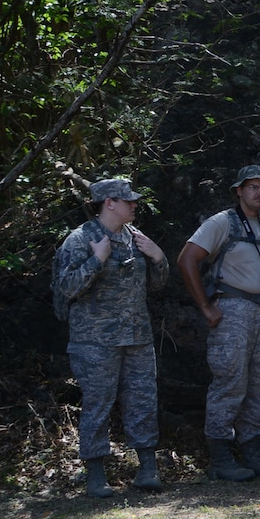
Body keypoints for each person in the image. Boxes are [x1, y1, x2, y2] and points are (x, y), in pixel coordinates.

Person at [52, 177, 170, 497]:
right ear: (109, 204)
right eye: (127, 200)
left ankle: (147, 468)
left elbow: (157, 285)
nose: (134, 204)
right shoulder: (81, 239)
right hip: (95, 340)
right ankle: (95, 473)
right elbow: (66, 288)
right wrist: (97, 259)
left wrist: (158, 257)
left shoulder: (136, 237)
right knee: (98, 405)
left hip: (137, 336)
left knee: (143, 400)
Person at [179, 165, 260, 483]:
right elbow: (187, 259)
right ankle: (221, 457)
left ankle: (253, 453)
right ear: (238, 191)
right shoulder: (222, 223)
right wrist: (205, 307)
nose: (259, 192)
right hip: (232, 311)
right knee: (230, 383)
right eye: (252, 187)